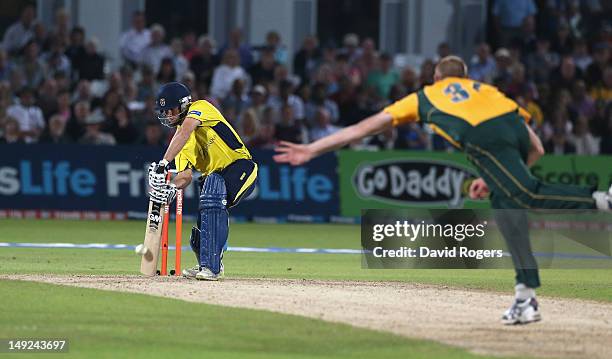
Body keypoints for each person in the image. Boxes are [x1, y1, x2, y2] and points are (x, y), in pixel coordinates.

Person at [274, 56, 612, 325]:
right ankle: (525, 298)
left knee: (527, 194)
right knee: (508, 210)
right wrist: (496, 178)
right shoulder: (489, 91)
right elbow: (535, 148)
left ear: (437, 78)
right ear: (464, 77)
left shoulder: (424, 97)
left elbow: (362, 128)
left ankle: (603, 199)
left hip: (479, 136)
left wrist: (312, 150)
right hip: (509, 128)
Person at [147, 82, 258, 281]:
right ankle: (206, 264)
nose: (168, 116)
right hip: (215, 180)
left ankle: (212, 267)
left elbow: (185, 131)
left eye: (170, 110)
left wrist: (164, 163)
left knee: (213, 184)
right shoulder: (181, 142)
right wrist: (171, 187)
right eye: (164, 112)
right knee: (198, 236)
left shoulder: (200, 107)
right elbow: (185, 176)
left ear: (183, 105)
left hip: (240, 167)